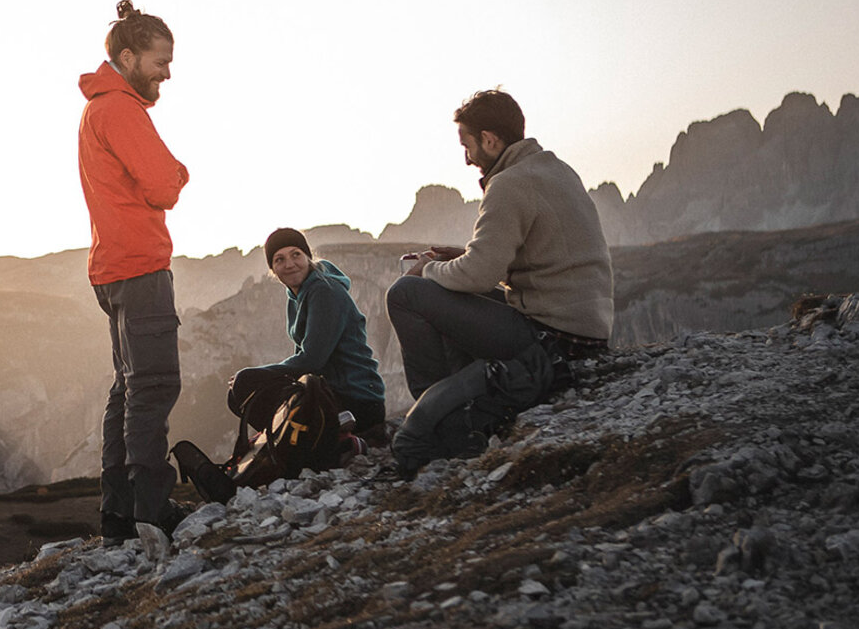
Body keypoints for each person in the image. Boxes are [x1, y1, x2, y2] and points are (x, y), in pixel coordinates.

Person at [385, 89, 613, 471]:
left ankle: (438, 413)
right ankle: (456, 400)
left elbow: (477, 276)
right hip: (584, 331)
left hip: (551, 339)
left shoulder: (509, 183)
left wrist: (427, 269)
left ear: (490, 139)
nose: (467, 158)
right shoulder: (554, 169)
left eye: (467, 145)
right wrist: (459, 256)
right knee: (443, 284)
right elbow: (536, 255)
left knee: (407, 293)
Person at [78, 0, 190, 540]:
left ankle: (118, 513)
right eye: (160, 61)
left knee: (126, 388)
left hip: (110, 267)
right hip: (140, 265)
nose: (167, 73)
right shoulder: (121, 109)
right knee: (153, 386)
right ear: (128, 56)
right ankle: (151, 510)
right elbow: (164, 185)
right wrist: (181, 171)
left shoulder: (98, 108)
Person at [228, 227, 387, 443]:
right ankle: (299, 443)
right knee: (237, 396)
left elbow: (312, 359)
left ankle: (327, 444)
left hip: (357, 401)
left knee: (245, 383)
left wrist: (254, 375)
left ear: (307, 256)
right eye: (279, 259)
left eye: (296, 255)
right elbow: (303, 357)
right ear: (273, 269)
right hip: (330, 393)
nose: (289, 264)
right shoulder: (298, 295)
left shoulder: (324, 291)